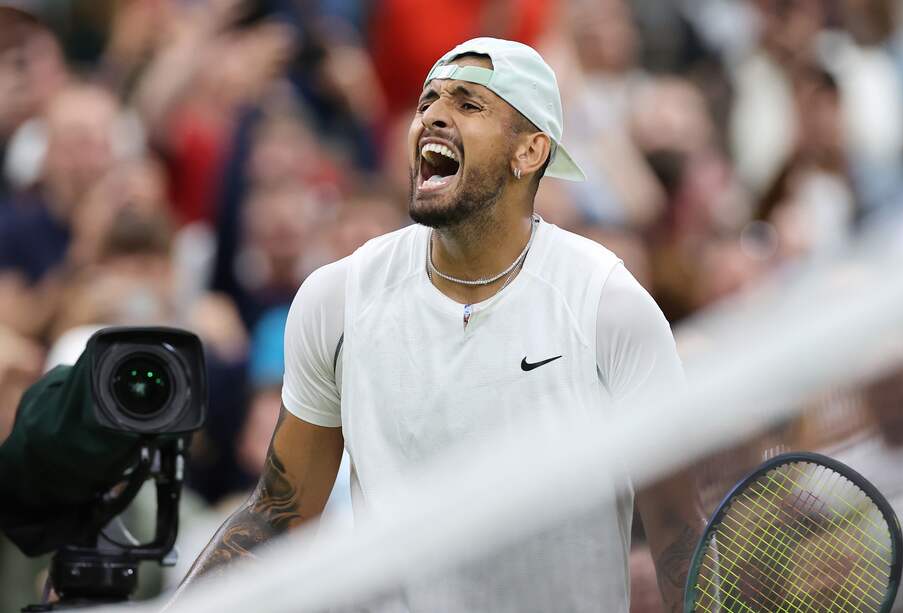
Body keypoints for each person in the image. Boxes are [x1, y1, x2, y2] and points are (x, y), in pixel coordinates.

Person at [176, 38, 705, 612]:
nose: (432, 116)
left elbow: (678, 531)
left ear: (529, 151)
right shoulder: (337, 299)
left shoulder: (609, 304)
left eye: (469, 104)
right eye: (427, 101)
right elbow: (279, 513)